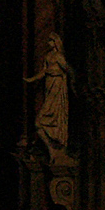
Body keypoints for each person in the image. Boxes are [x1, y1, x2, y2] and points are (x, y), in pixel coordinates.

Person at [24, 33, 74, 166]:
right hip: (49, 87)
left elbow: (68, 70)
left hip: (57, 87)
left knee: (48, 118)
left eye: (51, 41)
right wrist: (31, 79)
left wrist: (72, 83)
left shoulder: (59, 57)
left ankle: (58, 149)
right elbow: (43, 72)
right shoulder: (48, 56)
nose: (49, 43)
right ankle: (52, 151)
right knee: (38, 123)